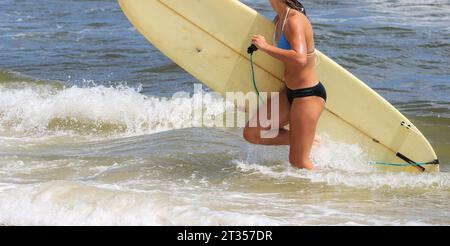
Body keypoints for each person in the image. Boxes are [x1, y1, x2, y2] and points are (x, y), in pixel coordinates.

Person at [243, 0, 327, 170]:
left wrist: (265, 47)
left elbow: (300, 58)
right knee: (252, 133)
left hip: (307, 95)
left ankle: (322, 191)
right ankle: (309, 140)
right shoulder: (280, 17)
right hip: (289, 92)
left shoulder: (294, 21)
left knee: (298, 162)